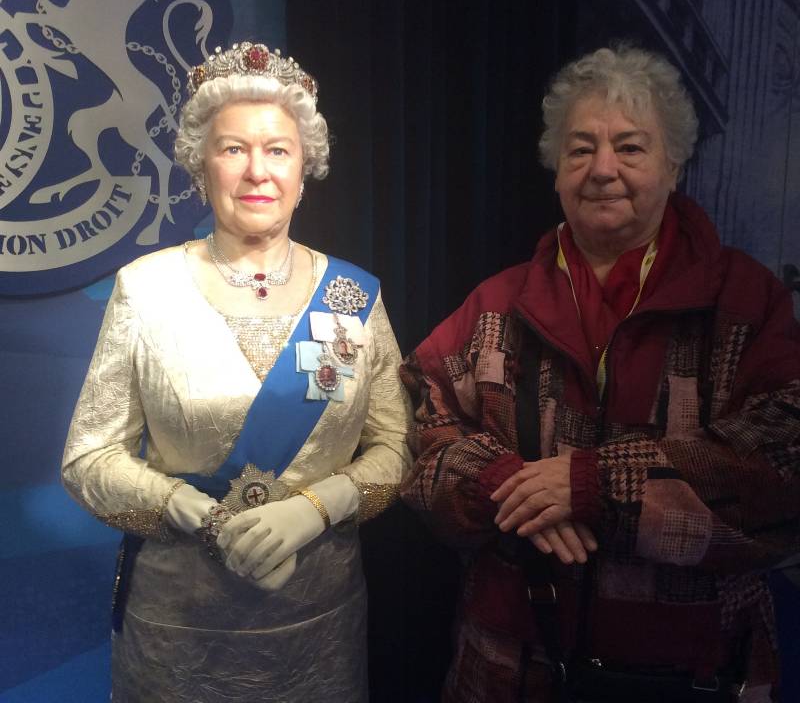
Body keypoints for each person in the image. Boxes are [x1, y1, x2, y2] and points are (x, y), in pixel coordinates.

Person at [400, 45, 800, 702]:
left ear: (674, 166)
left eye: (631, 148)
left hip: (694, 674)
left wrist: (596, 485)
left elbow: (785, 461)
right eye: (581, 148)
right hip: (509, 666)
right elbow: (423, 430)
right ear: (557, 169)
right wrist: (504, 485)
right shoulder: (498, 303)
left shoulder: (744, 303)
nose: (603, 169)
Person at [62, 41, 411, 702]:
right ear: (202, 166)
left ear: (304, 168)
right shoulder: (147, 289)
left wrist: (317, 508)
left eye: (278, 150)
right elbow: (88, 459)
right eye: (233, 149)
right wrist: (191, 511)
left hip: (320, 628)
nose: (257, 171)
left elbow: (399, 447)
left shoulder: (349, 297)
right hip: (179, 632)